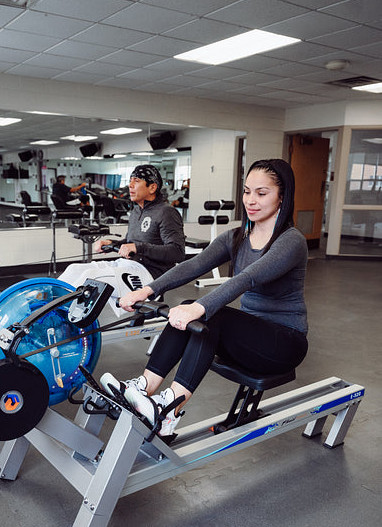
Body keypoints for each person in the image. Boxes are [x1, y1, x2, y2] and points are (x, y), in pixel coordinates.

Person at [101, 159, 309, 443]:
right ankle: (144, 388)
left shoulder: (291, 241)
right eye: (247, 192)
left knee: (212, 315)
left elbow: (246, 278)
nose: (251, 200)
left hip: (284, 343)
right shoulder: (237, 237)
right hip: (248, 339)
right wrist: (146, 290)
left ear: (282, 197)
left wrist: (198, 308)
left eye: (262, 193)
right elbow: (193, 265)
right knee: (194, 309)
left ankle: (168, 407)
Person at [58, 165, 185, 309]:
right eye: (130, 180)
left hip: (149, 274)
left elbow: (177, 252)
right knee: (73, 268)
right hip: (127, 264)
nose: (130, 185)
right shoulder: (137, 211)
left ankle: (58, 315)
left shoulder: (167, 212)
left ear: (152, 187)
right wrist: (111, 242)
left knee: (89, 277)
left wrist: (138, 248)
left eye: (136, 181)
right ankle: (44, 308)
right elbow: (131, 242)